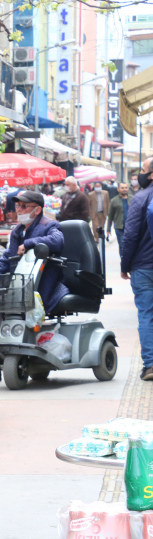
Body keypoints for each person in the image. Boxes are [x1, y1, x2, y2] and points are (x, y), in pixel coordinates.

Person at [0, 191, 70, 382]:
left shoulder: (50, 226)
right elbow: (6, 259)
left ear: (37, 209)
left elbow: (57, 241)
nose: (19, 210)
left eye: (24, 206)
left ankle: (19, 358)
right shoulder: (17, 231)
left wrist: (30, 243)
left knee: (14, 313)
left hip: (44, 288)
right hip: (21, 286)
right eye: (17, 206)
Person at [122, 157, 153, 381]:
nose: (139, 175)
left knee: (147, 314)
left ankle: (151, 365)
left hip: (143, 267)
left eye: (142, 170)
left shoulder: (140, 198)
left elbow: (130, 235)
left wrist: (125, 265)